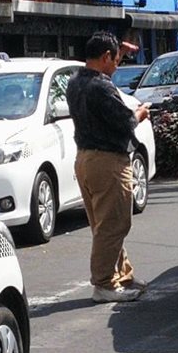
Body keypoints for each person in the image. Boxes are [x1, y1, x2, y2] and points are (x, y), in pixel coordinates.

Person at [66, 31, 151, 303]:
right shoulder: (100, 87)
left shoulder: (75, 81)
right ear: (105, 57)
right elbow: (126, 122)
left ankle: (121, 275)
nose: (117, 65)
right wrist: (141, 112)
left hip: (85, 160)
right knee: (114, 224)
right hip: (108, 161)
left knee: (105, 223)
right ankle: (103, 283)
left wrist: (120, 50)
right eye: (115, 60)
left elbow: (102, 66)